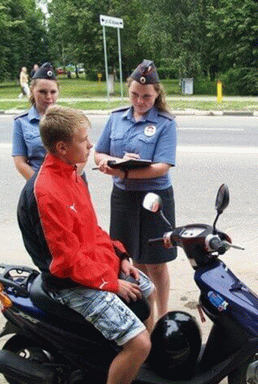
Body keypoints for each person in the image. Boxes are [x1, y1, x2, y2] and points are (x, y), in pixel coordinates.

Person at [16, 104, 153, 384]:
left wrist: (120, 258)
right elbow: (65, 262)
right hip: (69, 284)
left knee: (148, 286)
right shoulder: (47, 191)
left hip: (91, 267)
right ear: (62, 147)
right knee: (139, 342)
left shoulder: (73, 175)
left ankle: (132, 366)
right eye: (84, 140)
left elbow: (91, 231)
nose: (91, 146)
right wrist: (110, 282)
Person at [94, 59, 177, 330]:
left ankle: (163, 318)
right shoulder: (116, 118)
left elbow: (162, 166)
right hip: (124, 199)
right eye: (134, 95)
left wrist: (126, 173)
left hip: (154, 198)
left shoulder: (165, 123)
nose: (140, 101)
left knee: (157, 261)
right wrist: (113, 162)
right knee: (130, 259)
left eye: (146, 96)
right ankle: (143, 316)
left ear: (157, 95)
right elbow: (98, 152)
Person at [12, 62, 60, 180]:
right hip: (38, 185)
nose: (49, 97)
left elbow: (83, 154)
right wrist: (41, 184)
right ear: (32, 90)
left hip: (69, 184)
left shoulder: (70, 118)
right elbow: (20, 162)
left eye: (53, 92)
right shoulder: (21, 122)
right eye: (42, 92)